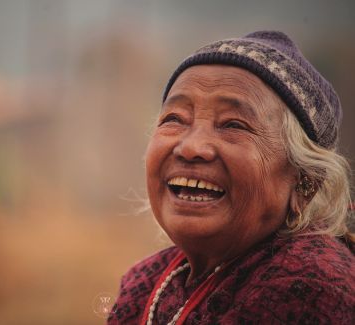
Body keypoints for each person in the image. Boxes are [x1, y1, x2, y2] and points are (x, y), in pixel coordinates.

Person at [108, 31, 354, 324]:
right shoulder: (145, 281)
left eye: (233, 124)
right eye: (174, 119)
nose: (191, 147)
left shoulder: (309, 287)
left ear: (305, 182)